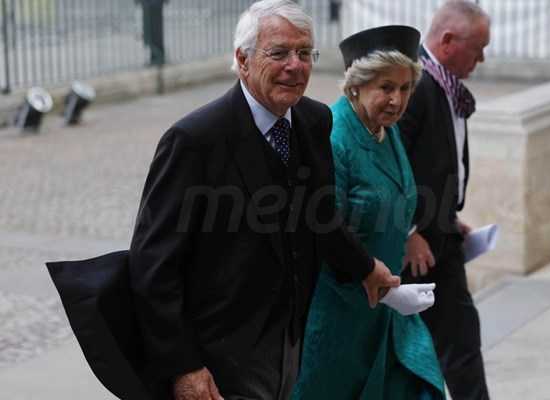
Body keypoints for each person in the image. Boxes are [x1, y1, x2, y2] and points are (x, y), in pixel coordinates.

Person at [129, 1, 400, 399]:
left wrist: (365, 268)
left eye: (305, 53)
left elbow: (320, 217)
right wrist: (183, 366)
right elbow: (153, 266)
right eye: (279, 53)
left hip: (288, 346)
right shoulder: (194, 140)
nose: (295, 65)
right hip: (219, 358)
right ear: (243, 60)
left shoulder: (314, 120)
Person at [292, 26, 445, 400]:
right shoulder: (333, 136)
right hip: (339, 318)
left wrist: (409, 235)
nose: (397, 100)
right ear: (356, 86)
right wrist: (386, 290)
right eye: (386, 87)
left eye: (405, 88)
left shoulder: (386, 130)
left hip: (385, 313)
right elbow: (325, 233)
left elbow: (394, 197)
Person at [399, 1, 492, 399]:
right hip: (416, 248)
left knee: (461, 339)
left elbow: (439, 162)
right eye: (478, 49)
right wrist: (408, 232)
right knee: (429, 349)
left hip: (441, 235)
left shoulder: (445, 84)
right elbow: (394, 161)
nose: (481, 59)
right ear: (449, 41)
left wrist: (448, 215)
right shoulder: (414, 84)